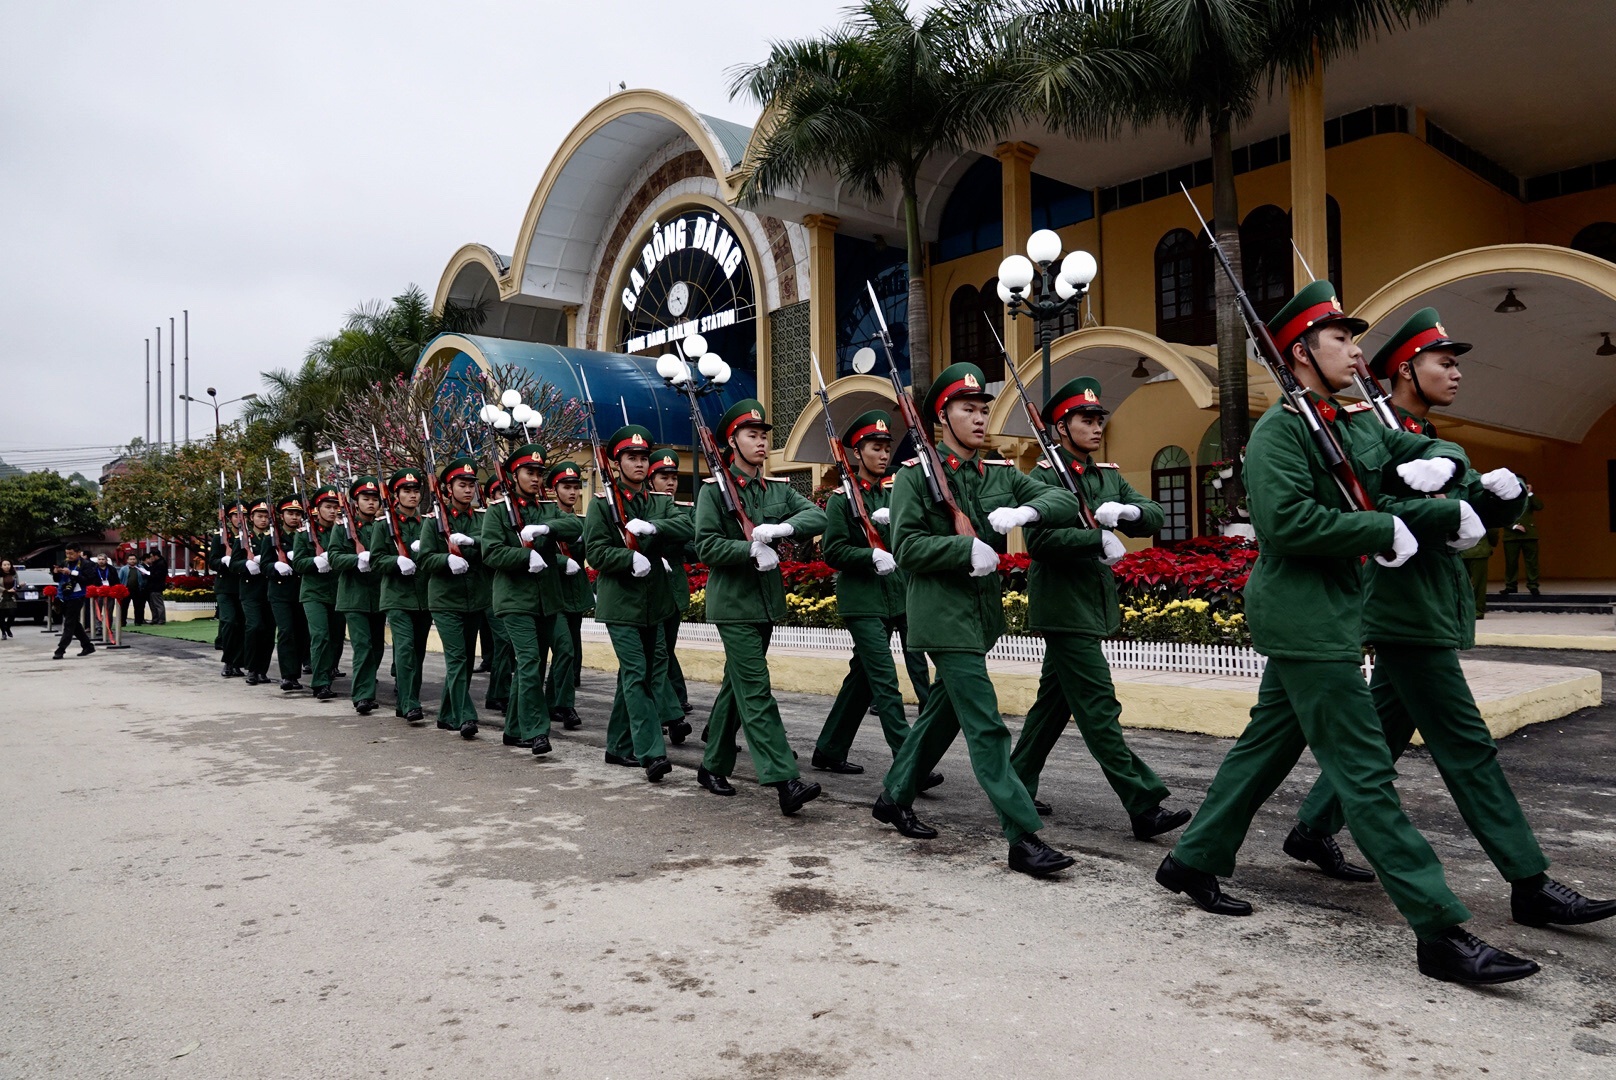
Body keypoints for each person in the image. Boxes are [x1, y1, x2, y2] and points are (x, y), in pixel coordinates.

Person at [1156, 281, 1539, 985]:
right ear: (1302, 350)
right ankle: (1439, 930)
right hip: (1305, 619)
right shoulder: (1280, 432)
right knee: (1366, 774)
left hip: (1334, 610)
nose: (1358, 349)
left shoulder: (1348, 416)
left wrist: (1455, 474)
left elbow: (1400, 450)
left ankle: (1190, 859)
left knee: (1264, 750)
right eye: (1342, 339)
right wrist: (1382, 526)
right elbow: (1286, 523)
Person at [1287, 307, 1616, 931]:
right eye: (1446, 362)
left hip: (1427, 604)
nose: (1458, 373)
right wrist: (1449, 508)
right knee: (1467, 750)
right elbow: (1373, 508)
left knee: (1382, 735)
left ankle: (1311, 827)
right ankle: (1529, 880)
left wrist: (1495, 501)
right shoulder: (1368, 433)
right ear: (1407, 368)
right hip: (1404, 611)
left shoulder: (1434, 441)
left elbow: (1460, 522)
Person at [869, 362, 1082, 878]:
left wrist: (1028, 514)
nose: (981, 417)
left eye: (984, 408)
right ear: (942, 417)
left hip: (979, 617)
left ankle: (894, 796)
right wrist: (963, 547)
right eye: (968, 409)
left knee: (943, 710)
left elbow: (1060, 495)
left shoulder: (1001, 473)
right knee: (986, 724)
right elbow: (908, 546)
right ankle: (1021, 836)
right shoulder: (914, 478)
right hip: (941, 617)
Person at [1009, 377, 1192, 839]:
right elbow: (1040, 541)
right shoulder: (1043, 478)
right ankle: (1143, 803)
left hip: (1090, 604)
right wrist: (1096, 538)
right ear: (1060, 428)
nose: (1095, 427)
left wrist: (1127, 515)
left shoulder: (1105, 474)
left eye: (1097, 419)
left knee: (1052, 706)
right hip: (1063, 606)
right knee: (1098, 708)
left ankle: (1012, 783)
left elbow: (1153, 512)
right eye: (1084, 420)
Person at [693, 399, 827, 815]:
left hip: (766, 603)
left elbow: (816, 518)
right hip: (733, 604)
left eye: (764, 435)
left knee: (737, 685)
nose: (761, 442)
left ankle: (713, 764)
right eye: (752, 435)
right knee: (756, 689)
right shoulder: (713, 492)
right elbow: (706, 545)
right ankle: (784, 779)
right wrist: (749, 550)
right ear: (731, 441)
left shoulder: (777, 489)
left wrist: (784, 528)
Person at [813, 409, 938, 781]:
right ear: (856, 452)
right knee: (884, 681)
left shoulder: (896, 492)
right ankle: (911, 762)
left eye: (886, 447)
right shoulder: (841, 499)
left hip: (897, 596)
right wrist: (869, 555)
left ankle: (830, 748)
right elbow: (832, 551)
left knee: (863, 678)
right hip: (863, 601)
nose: (883, 454)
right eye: (875, 447)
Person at [583, 426, 692, 781]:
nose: (640, 464)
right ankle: (651, 752)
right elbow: (595, 551)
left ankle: (617, 746)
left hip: (654, 603)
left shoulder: (659, 502)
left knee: (644, 674)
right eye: (632, 457)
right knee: (635, 675)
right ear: (616, 463)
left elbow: (685, 527)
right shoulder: (602, 505)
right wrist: (627, 559)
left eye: (644, 458)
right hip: (621, 605)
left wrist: (654, 528)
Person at [481, 445, 584, 754]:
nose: (536, 478)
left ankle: (514, 729)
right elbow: (491, 552)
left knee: (565, 650)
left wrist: (546, 527)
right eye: (530, 473)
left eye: (540, 473)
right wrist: (525, 556)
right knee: (529, 663)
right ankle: (537, 731)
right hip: (515, 600)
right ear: (514, 475)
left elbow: (575, 527)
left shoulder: (546, 509)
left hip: (548, 600)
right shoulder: (498, 511)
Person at [418, 456, 491, 740]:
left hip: (475, 598)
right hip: (446, 599)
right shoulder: (434, 521)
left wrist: (474, 542)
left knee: (465, 658)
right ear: (449, 488)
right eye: (462, 484)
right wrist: (446, 560)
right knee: (458, 658)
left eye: (471, 485)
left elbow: (493, 547)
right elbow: (425, 558)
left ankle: (447, 714)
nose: (468, 490)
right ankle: (465, 716)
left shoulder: (482, 519)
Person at [368, 469, 432, 722]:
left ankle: (408, 700)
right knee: (404, 649)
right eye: (406, 491)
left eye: (416, 491)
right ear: (396, 494)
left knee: (418, 652)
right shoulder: (384, 524)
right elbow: (376, 560)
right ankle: (409, 703)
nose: (412, 495)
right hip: (397, 597)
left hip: (424, 596)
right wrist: (397, 561)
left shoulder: (428, 523)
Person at [646, 449, 695, 740]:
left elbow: (693, 542)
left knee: (665, 650)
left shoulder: (683, 509)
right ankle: (671, 711)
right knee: (658, 652)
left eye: (674, 477)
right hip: (649, 587)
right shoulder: (644, 507)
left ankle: (671, 701)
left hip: (674, 588)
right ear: (651, 480)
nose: (670, 482)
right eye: (664, 477)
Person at [328, 476, 386, 715]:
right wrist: (356, 559)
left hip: (379, 593)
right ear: (356, 501)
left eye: (374, 499)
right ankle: (362, 695)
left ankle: (367, 685)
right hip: (354, 596)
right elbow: (333, 557)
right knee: (363, 645)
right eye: (366, 499)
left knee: (377, 647)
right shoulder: (343, 527)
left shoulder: (384, 525)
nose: (371, 503)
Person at [543, 462, 591, 733]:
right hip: (553, 592)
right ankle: (565, 705)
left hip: (575, 594)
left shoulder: (582, 521)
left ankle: (553, 702)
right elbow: (537, 547)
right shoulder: (545, 518)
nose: (572, 492)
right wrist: (562, 561)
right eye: (566, 487)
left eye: (576, 487)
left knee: (571, 653)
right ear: (554, 490)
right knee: (564, 649)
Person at [292, 485, 345, 701]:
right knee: (320, 636)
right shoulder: (305, 534)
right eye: (327, 507)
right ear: (317, 509)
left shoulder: (343, 531)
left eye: (335, 507)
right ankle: (320, 682)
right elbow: (297, 563)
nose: (332, 511)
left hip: (339, 591)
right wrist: (314, 561)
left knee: (336, 638)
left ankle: (329, 670)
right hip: (313, 592)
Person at [479, 474, 515, 712]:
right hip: (488, 590)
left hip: (507, 589)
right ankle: (500, 693)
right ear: (491, 496)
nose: (505, 497)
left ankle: (497, 693)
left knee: (505, 643)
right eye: (500, 493)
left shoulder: (516, 516)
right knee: (504, 640)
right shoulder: (488, 516)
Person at [267, 497, 309, 692]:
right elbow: (263, 565)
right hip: (280, 592)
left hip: (301, 591)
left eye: (297, 513)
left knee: (301, 633)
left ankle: (297, 670)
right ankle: (288, 675)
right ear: (281, 515)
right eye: (290, 513)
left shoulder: (305, 535)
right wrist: (275, 566)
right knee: (286, 632)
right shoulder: (273, 537)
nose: (294, 517)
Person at [235, 499, 278, 685]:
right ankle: (252, 669)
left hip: (269, 589)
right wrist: (246, 564)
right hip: (250, 590)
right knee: (254, 627)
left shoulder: (273, 538)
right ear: (251, 518)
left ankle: (262, 670)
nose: (263, 520)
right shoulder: (243, 539)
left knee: (268, 631)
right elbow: (232, 564)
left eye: (266, 517)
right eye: (259, 516)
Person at [210, 502, 247, 677]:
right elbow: (212, 561)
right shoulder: (220, 537)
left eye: (243, 516)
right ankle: (228, 661)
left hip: (244, 586)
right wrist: (223, 561)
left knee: (242, 625)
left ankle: (237, 662)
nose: (240, 519)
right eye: (235, 516)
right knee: (230, 621)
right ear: (230, 518)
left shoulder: (249, 537)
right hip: (225, 587)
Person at [51, 543, 97, 659]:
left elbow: (89, 580)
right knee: (73, 623)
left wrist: (71, 573)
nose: (69, 556)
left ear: (78, 553)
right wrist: (56, 572)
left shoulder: (86, 564)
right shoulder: (65, 562)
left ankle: (61, 649)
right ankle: (88, 646)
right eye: (67, 553)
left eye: (71, 553)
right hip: (64, 595)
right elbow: (57, 579)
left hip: (77, 596)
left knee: (69, 623)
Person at [1502, 481, 1542, 596]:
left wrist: (1530, 494)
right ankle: (1510, 586)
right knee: (1511, 563)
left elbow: (1539, 506)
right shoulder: (1504, 497)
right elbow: (1500, 516)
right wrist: (1514, 526)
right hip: (1511, 536)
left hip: (1529, 535)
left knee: (1532, 562)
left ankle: (1533, 585)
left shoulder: (1527, 497)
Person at [119, 553, 146, 626]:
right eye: (130, 559)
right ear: (127, 560)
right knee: (124, 607)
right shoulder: (123, 569)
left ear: (136, 560)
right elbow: (119, 579)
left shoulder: (140, 568)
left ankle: (138, 621)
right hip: (126, 590)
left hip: (138, 590)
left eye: (134, 559)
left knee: (138, 607)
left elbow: (146, 578)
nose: (132, 561)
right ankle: (123, 622)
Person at [144, 548, 169, 624]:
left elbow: (157, 576)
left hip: (156, 586)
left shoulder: (161, 564)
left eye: (151, 556)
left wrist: (147, 575)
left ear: (155, 556)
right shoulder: (156, 563)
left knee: (158, 604)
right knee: (153, 604)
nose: (150, 558)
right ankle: (155, 618)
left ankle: (161, 619)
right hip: (152, 587)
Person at [0, 558, 17, 639]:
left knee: (12, 614)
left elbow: (16, 584)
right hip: (1, 596)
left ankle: (8, 627)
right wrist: (6, 590)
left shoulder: (14, 574)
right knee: (1, 615)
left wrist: (19, 586)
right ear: (1, 566)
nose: (7, 566)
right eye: (5, 565)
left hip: (11, 596)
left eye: (8, 564)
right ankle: (3, 632)